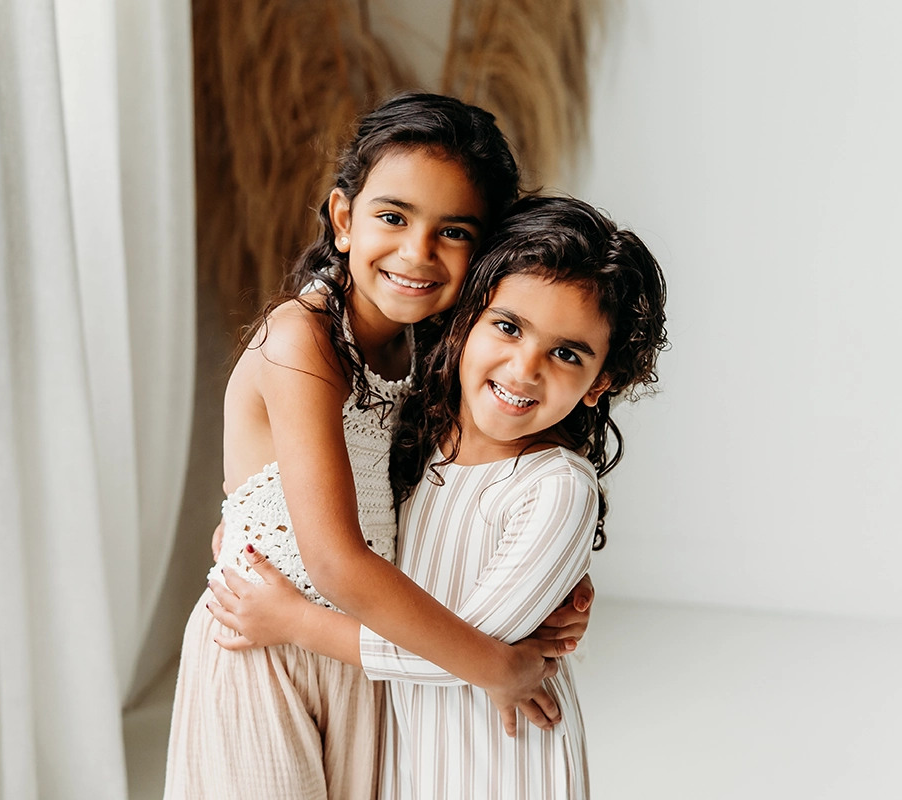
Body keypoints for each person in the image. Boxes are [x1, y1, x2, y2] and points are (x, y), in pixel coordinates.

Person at [164, 94, 592, 800]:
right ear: (343, 220)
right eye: (393, 217)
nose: (416, 253)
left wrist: (550, 573)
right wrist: (494, 665)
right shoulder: (298, 339)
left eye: (453, 231)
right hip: (263, 645)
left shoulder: (429, 351)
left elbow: (463, 489)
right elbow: (332, 561)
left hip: (370, 660)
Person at [209, 195, 670, 798]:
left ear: (599, 383)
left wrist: (294, 622)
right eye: (508, 327)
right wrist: (250, 525)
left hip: (507, 766)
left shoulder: (555, 489)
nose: (524, 367)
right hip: (415, 760)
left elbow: (450, 654)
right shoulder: (425, 441)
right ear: (467, 323)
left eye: (566, 353)